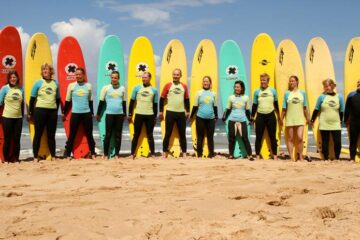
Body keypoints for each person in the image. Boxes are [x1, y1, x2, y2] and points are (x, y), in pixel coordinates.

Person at [28, 63, 60, 161]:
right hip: (40, 111)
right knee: (38, 134)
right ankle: (35, 156)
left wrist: (55, 110)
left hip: (52, 112)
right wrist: (30, 113)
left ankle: (53, 156)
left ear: (51, 71)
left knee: (51, 135)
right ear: (42, 72)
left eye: (47, 69)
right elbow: (32, 99)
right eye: (43, 69)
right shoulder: (38, 83)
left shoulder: (55, 83)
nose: (45, 71)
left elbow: (58, 99)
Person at [62, 67, 96, 159]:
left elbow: (90, 101)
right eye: (76, 74)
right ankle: (68, 154)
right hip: (75, 113)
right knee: (72, 134)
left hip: (86, 113)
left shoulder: (88, 86)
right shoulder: (71, 86)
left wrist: (92, 113)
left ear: (83, 75)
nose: (78, 76)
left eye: (80, 74)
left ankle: (93, 153)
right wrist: (64, 112)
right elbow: (68, 101)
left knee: (89, 134)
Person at [311, 79, 344, 160]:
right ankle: (326, 158)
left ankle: (337, 158)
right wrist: (312, 120)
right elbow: (316, 109)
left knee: (338, 142)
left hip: (336, 123)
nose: (326, 88)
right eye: (325, 86)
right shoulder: (321, 97)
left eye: (328, 86)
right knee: (325, 142)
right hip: (324, 122)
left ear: (332, 86)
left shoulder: (339, 97)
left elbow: (342, 110)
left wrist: (340, 120)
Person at [159, 68, 190, 157]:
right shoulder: (168, 85)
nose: (176, 76)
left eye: (177, 75)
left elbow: (187, 99)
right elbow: (162, 99)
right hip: (170, 113)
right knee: (168, 133)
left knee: (182, 134)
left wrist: (187, 111)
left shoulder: (184, 86)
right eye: (174, 74)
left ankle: (184, 153)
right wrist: (161, 111)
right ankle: (164, 152)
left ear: (180, 76)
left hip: (181, 113)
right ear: (172, 75)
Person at [96, 71, 126, 159]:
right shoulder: (106, 88)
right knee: (108, 135)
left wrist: (125, 114)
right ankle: (105, 154)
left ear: (118, 78)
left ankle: (117, 154)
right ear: (110, 78)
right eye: (112, 77)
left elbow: (124, 103)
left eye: (115, 78)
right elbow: (101, 102)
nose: (114, 79)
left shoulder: (122, 88)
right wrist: (98, 114)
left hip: (119, 115)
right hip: (109, 114)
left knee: (118, 135)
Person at [279, 75, 310, 161]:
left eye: (293, 81)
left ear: (297, 82)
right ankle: (291, 157)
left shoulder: (302, 93)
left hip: (300, 118)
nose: (291, 82)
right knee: (290, 138)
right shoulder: (287, 93)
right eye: (290, 81)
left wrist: (308, 118)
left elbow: (305, 107)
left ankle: (300, 156)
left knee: (300, 138)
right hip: (290, 118)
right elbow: (284, 108)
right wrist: (281, 118)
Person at [128, 71, 158, 158]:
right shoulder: (136, 88)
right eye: (143, 77)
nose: (144, 79)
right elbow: (132, 102)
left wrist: (155, 117)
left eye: (146, 77)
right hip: (139, 114)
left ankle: (152, 154)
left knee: (150, 135)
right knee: (136, 135)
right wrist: (130, 114)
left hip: (150, 115)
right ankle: (132, 153)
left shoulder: (154, 90)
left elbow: (155, 104)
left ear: (149, 78)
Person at [251, 73, 280, 161]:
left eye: (264, 80)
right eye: (261, 80)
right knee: (258, 137)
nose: (262, 82)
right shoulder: (257, 91)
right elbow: (254, 105)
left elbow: (276, 104)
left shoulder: (273, 91)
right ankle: (257, 155)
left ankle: (275, 155)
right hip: (260, 115)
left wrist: (279, 115)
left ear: (268, 81)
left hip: (271, 115)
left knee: (272, 136)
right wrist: (252, 116)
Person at [222, 80, 253, 160]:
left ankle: (250, 155)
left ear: (242, 88)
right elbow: (227, 109)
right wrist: (224, 118)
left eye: (238, 87)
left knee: (245, 138)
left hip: (242, 120)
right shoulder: (231, 98)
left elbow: (247, 110)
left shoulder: (246, 97)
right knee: (232, 138)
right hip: (232, 120)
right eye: (235, 87)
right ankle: (231, 155)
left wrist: (250, 119)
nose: (236, 88)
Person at [190, 76, 218, 158]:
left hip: (211, 118)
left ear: (210, 83)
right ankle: (199, 154)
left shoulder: (214, 94)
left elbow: (215, 106)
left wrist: (216, 116)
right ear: (202, 83)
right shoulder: (199, 93)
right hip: (200, 117)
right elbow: (195, 106)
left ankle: (211, 153)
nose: (205, 83)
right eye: (204, 81)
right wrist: (191, 117)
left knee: (210, 137)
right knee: (200, 137)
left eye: (207, 81)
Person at [0, 70, 24, 163]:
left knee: (17, 139)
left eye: (14, 77)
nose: (13, 79)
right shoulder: (5, 88)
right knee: (7, 139)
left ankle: (16, 158)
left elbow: (21, 104)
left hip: (18, 118)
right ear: (9, 79)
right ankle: (5, 159)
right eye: (11, 77)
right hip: (7, 117)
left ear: (17, 78)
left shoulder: (21, 89)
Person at [344, 79, 360, 160]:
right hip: (354, 122)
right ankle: (352, 158)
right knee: (353, 141)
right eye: (358, 82)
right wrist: (345, 120)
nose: (359, 83)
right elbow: (347, 109)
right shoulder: (351, 95)